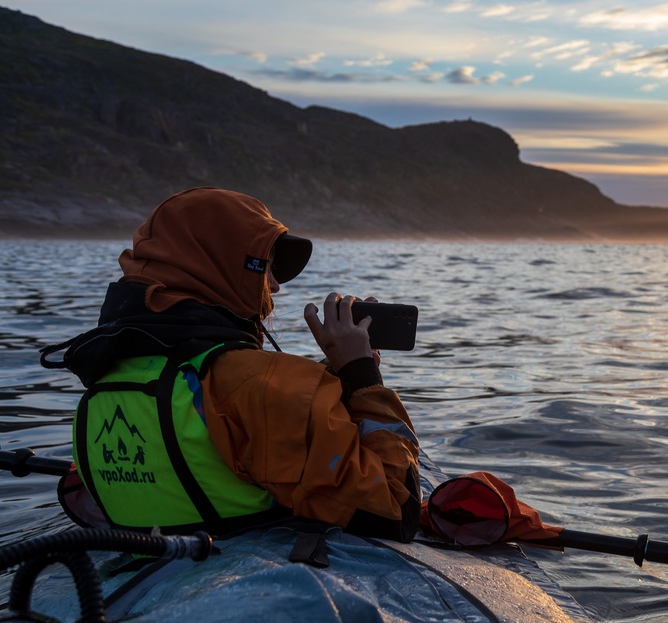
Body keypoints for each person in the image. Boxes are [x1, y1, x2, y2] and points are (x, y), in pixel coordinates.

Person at [41, 187, 421, 541]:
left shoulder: (102, 379)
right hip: (246, 587)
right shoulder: (257, 384)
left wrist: (338, 371)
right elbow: (394, 511)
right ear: (222, 266)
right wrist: (362, 376)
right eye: (266, 268)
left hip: (144, 572)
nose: (274, 287)